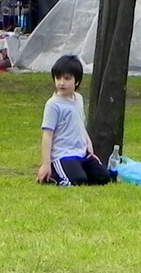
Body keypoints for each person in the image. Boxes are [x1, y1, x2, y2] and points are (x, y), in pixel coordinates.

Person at [35, 54, 110, 186]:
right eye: (58, 78)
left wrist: (89, 145)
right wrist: (46, 164)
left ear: (77, 81)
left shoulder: (78, 99)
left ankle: (78, 170)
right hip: (62, 155)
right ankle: (53, 174)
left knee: (103, 177)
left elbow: (80, 124)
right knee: (77, 181)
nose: (61, 83)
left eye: (67, 78)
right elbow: (47, 135)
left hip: (80, 154)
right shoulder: (53, 104)